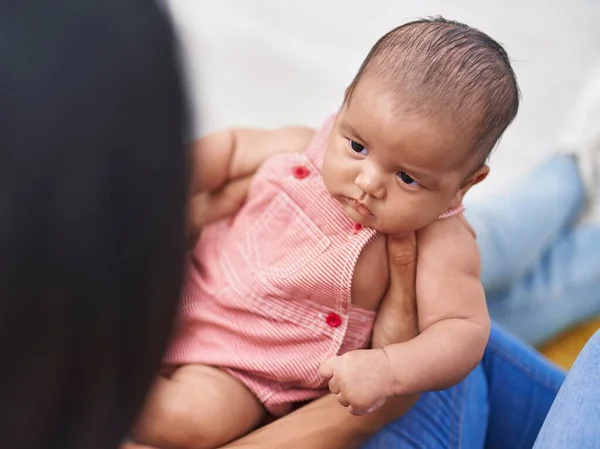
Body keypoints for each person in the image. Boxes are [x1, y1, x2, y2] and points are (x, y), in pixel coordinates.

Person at [129, 17, 521, 449]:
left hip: (246, 372)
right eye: (357, 146)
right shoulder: (302, 145)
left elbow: (463, 330)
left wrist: (389, 368)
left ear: (466, 183)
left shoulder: (441, 242)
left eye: (408, 177)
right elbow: (228, 150)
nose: (369, 181)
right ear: (345, 104)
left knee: (188, 421)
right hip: (183, 284)